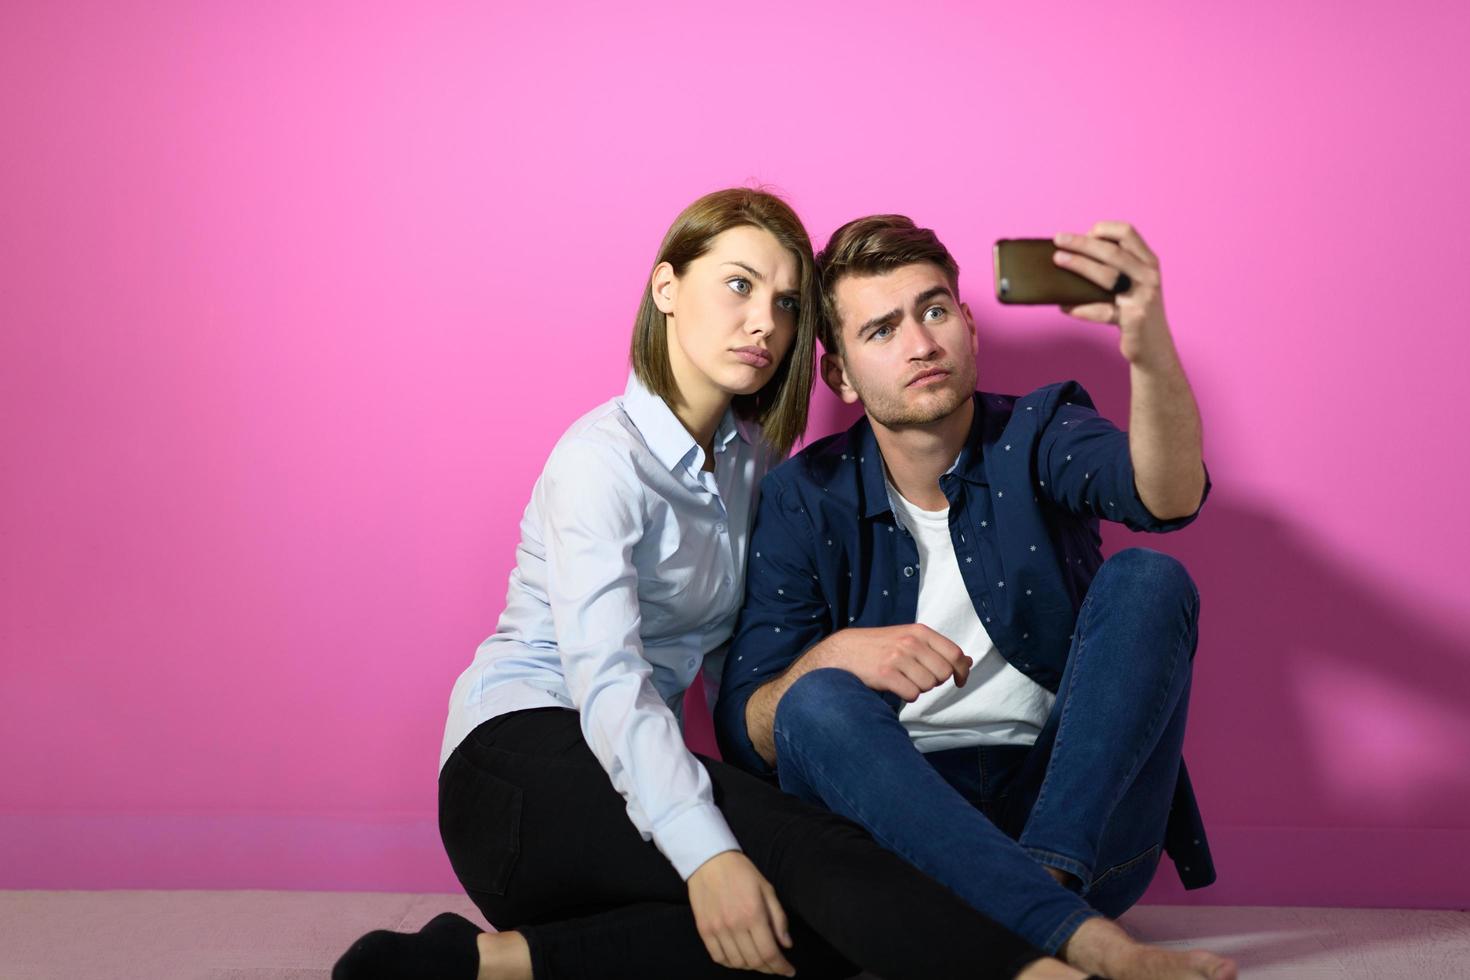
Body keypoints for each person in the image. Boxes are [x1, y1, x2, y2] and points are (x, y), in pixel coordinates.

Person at [333, 189, 1091, 980]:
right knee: (805, 860)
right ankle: (1036, 974)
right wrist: (708, 854)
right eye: (739, 285)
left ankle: (473, 966)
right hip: (520, 767)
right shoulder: (600, 460)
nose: (764, 320)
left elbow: (743, 668)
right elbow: (609, 681)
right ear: (667, 289)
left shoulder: (754, 465)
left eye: (785, 301)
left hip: (627, 786)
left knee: (811, 927)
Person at [715, 214, 1239, 980]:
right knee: (813, 698)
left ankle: (1036, 899)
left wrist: (1147, 347)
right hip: (899, 826)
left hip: (1075, 822)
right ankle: (1077, 939)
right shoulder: (807, 496)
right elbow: (745, 729)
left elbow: (1167, 497)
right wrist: (831, 658)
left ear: (968, 324)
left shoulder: (1040, 428)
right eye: (883, 329)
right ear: (843, 377)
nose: (921, 344)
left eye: (933, 311)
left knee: (1151, 578)